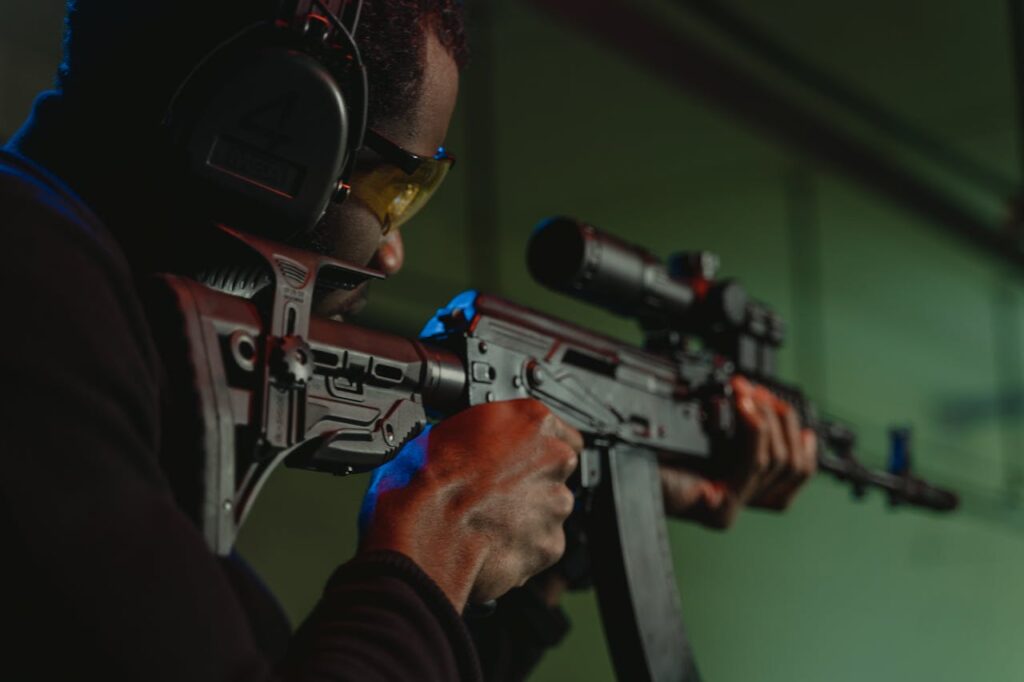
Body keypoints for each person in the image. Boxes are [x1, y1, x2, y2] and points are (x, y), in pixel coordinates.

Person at [0, 0, 816, 680]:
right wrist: (443, 532)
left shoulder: (86, 328)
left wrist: (557, 547)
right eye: (402, 187)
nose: (392, 251)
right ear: (276, 128)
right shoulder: (33, 302)